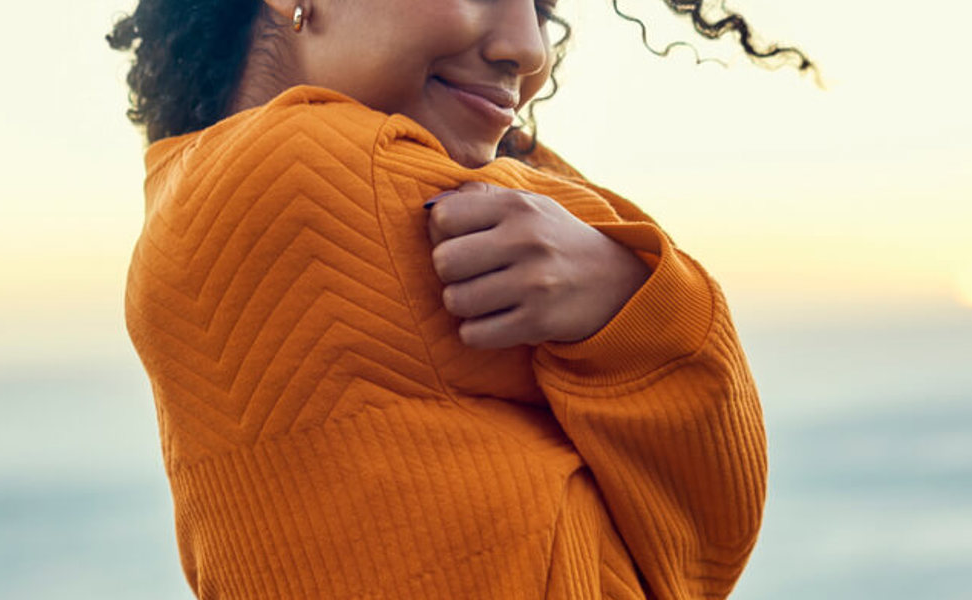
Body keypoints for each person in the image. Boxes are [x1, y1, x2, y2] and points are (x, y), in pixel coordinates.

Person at [109, 0, 810, 597]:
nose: (528, 48)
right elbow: (705, 531)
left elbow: (689, 558)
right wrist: (638, 292)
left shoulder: (188, 191)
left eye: (540, 5)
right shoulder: (298, 175)